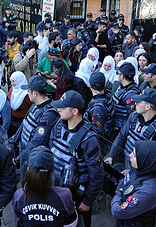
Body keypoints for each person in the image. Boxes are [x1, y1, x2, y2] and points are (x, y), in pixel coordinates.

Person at [50, 90, 104, 226]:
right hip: (57, 190)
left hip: (77, 195)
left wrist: (87, 201)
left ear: (74, 111)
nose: (58, 109)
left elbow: (97, 173)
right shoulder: (58, 126)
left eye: (63, 107)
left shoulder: (88, 139)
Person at [13, 146, 78, 227]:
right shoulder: (64, 194)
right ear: (52, 170)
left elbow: (19, 215)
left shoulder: (19, 195)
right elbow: (71, 220)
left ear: (28, 169)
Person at [106, 89, 156, 168]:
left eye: (139, 102)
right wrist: (111, 155)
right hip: (126, 162)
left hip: (141, 172)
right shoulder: (134, 116)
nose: (135, 103)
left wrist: (133, 173)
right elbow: (122, 136)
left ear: (148, 107)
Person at [111, 141, 156, 227]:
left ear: (146, 160)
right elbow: (123, 182)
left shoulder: (148, 190)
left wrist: (118, 193)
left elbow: (117, 211)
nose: (130, 155)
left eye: (135, 155)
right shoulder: (139, 170)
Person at [10, 75, 60, 175]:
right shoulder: (35, 105)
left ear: (34, 93)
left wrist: (18, 160)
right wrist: (12, 143)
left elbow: (38, 141)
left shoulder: (49, 114)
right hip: (24, 151)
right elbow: (24, 124)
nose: (27, 93)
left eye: (28, 90)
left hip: (35, 159)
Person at [84, 72, 113, 142]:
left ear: (90, 86)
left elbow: (98, 132)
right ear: (104, 85)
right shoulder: (108, 96)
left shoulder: (97, 108)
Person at [112, 62, 140, 136]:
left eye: (119, 73)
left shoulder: (130, 95)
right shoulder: (123, 88)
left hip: (121, 130)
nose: (117, 75)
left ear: (122, 77)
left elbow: (132, 116)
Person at [7, 71, 32, 137]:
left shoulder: (26, 93)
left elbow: (31, 107)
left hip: (23, 121)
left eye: (14, 81)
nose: (12, 83)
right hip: (13, 120)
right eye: (11, 81)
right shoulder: (12, 89)